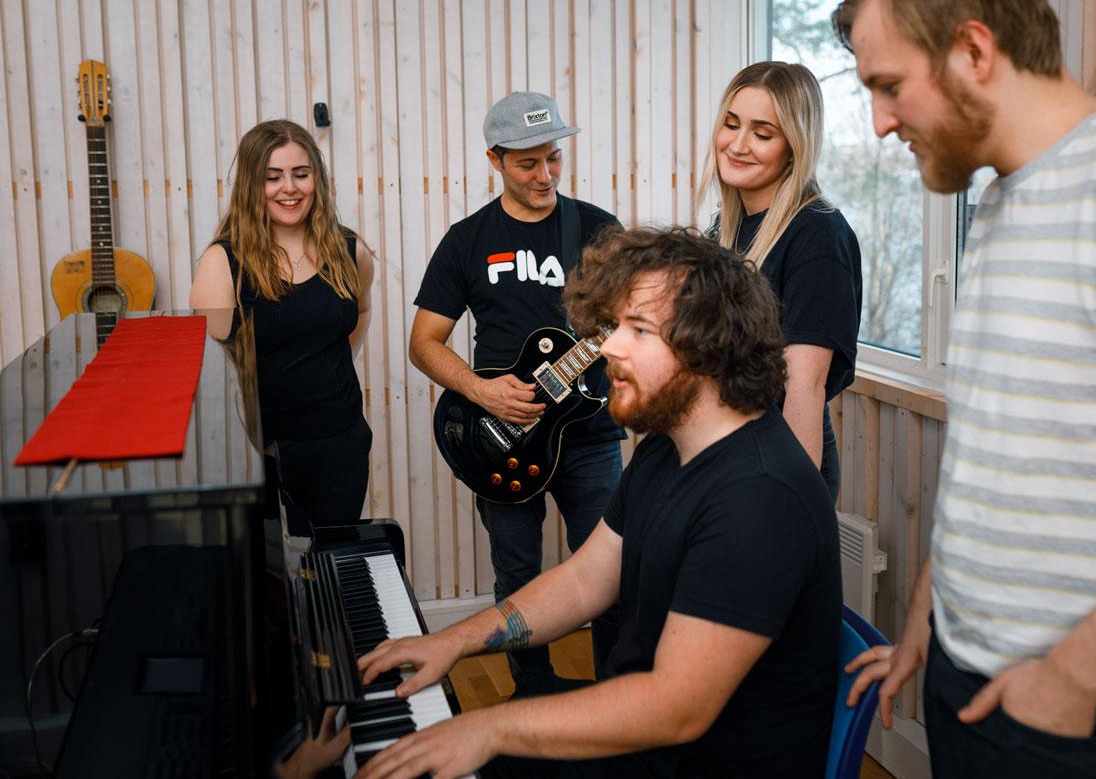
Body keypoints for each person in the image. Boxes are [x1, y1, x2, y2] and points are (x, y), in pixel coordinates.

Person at [832, 0, 1096, 778]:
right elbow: (998, 449)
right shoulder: (1003, 202)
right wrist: (930, 618)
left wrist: (1074, 677)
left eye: (889, 84)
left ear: (974, 50)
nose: (882, 122)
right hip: (978, 674)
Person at [357, 228, 842, 779]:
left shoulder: (761, 498)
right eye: (616, 326)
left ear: (710, 345)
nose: (608, 346)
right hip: (642, 744)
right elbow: (586, 580)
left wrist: (490, 728)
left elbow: (675, 709)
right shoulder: (669, 446)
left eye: (638, 330)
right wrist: (454, 640)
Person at [409, 92, 625, 695]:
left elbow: (641, 313)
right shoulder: (467, 239)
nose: (545, 175)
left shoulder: (599, 230)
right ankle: (532, 690)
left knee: (611, 572)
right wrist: (481, 391)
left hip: (589, 436)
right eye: (528, 163)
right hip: (499, 438)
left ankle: (616, 693)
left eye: (553, 158)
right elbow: (423, 342)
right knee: (518, 571)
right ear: (495, 160)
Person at [190, 119, 375, 527]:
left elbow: (360, 311)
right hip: (266, 455)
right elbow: (211, 370)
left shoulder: (350, 249)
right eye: (272, 177)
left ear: (317, 180)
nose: (289, 188)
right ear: (251, 186)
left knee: (330, 567)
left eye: (301, 174)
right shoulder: (222, 263)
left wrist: (338, 360)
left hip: (341, 444)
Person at [697, 60, 862, 503]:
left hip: (780, 458)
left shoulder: (817, 234)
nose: (738, 144)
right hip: (725, 449)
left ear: (795, 146)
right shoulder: (725, 230)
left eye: (762, 133)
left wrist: (786, 506)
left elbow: (804, 387)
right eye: (731, 124)